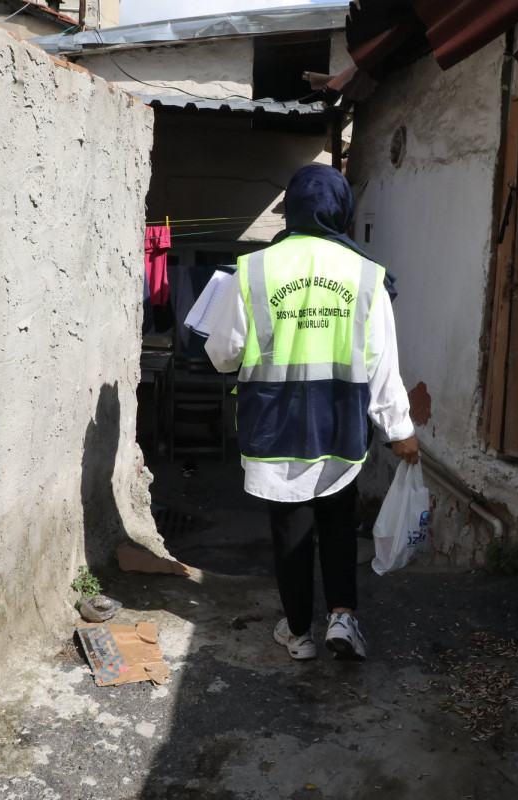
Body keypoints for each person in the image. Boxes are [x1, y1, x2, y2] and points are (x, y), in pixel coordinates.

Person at [204, 165, 419, 662]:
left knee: (291, 529)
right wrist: (400, 430)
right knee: (339, 521)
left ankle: (299, 634)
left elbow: (222, 355)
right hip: (339, 423)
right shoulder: (366, 274)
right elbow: (382, 365)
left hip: (274, 424)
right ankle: (343, 619)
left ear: (293, 210)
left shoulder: (254, 269)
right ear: (342, 210)